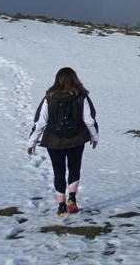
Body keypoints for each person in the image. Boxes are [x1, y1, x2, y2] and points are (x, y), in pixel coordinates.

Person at [27, 67, 99, 217]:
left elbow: (41, 122)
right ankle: (72, 198)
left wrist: (31, 142)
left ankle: (61, 206)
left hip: (54, 141)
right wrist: (94, 137)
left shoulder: (50, 97)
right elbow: (89, 120)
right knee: (74, 168)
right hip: (76, 139)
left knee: (58, 172)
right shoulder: (81, 96)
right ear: (75, 78)